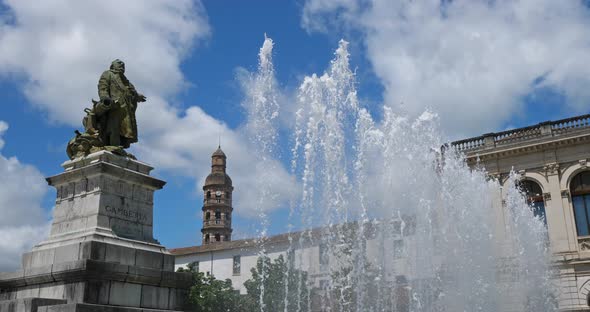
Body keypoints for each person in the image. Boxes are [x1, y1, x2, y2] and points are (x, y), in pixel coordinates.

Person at [96, 59, 146, 147]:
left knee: (125, 129)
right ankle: (113, 146)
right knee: (113, 127)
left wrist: (138, 96)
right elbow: (103, 87)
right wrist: (105, 98)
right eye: (119, 64)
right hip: (115, 106)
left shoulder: (127, 82)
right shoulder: (108, 74)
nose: (121, 66)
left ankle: (120, 147)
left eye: (123, 65)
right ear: (112, 66)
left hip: (127, 109)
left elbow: (132, 92)